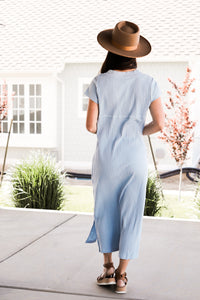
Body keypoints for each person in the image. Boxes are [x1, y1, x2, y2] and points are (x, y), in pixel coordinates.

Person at [84, 20, 165, 294]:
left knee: (104, 210)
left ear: (110, 50)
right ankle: (122, 276)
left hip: (106, 159)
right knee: (131, 215)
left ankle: (106, 268)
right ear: (134, 53)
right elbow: (160, 124)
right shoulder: (149, 83)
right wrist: (137, 130)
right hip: (134, 159)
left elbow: (91, 126)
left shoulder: (99, 82)